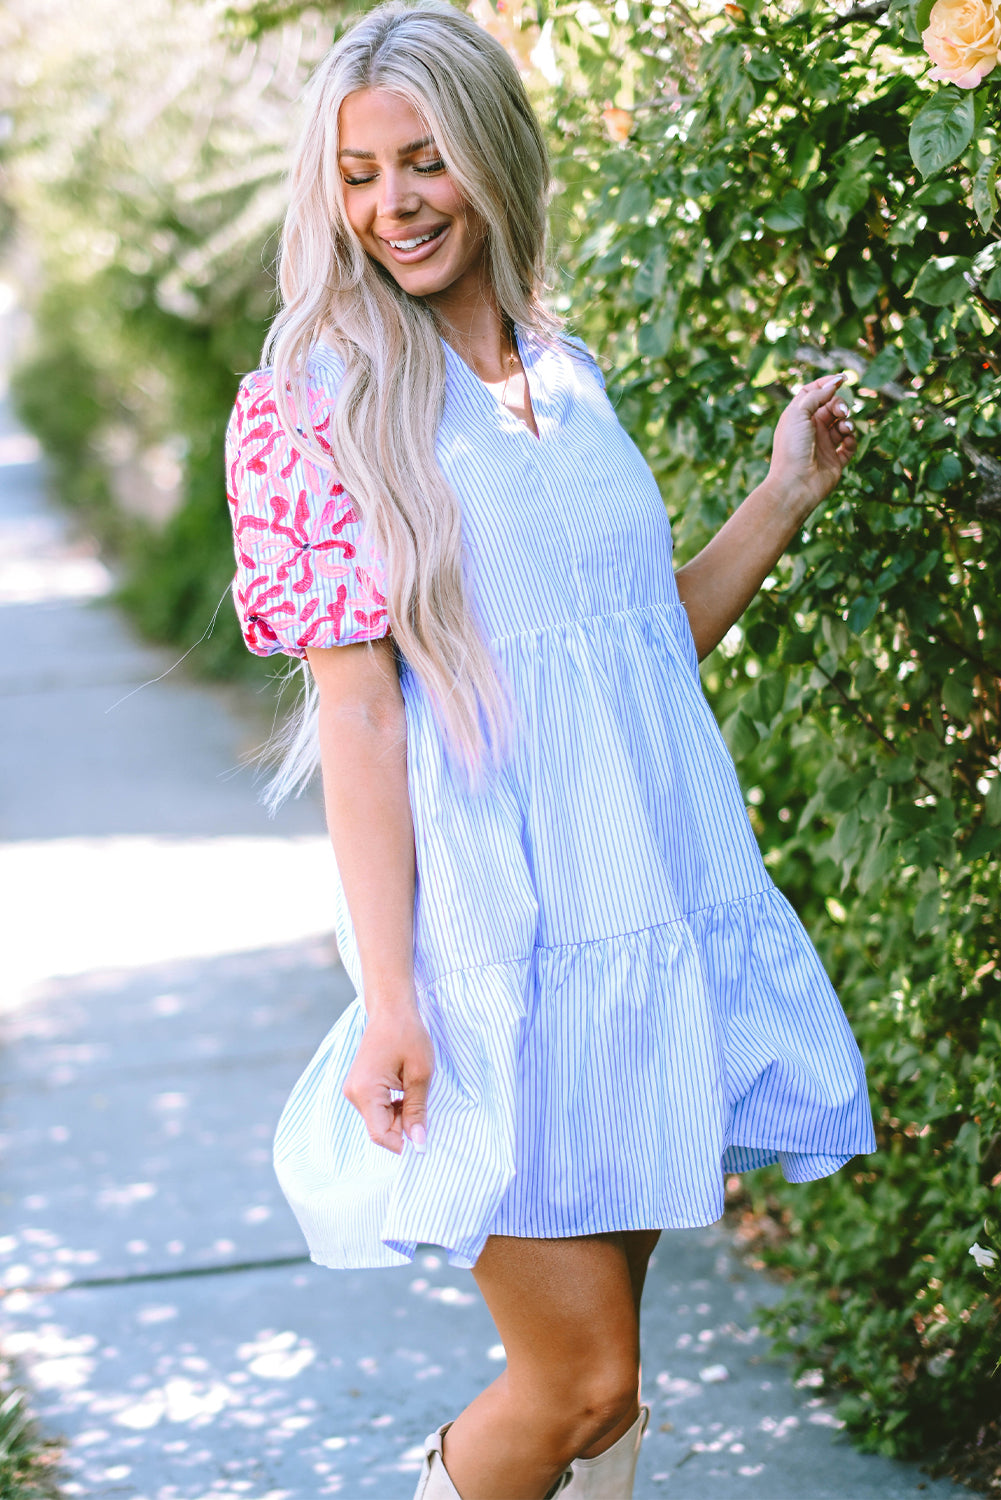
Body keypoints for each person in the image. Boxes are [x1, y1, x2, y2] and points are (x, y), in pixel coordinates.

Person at [224, 3, 874, 1495]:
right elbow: (362, 713)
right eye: (361, 172)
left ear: (494, 157)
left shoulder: (561, 374)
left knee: (606, 1393)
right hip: (491, 947)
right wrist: (392, 1001)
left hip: (636, 910)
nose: (394, 204)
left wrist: (778, 498)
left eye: (427, 159)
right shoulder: (311, 406)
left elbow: (633, 655)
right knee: (578, 1374)